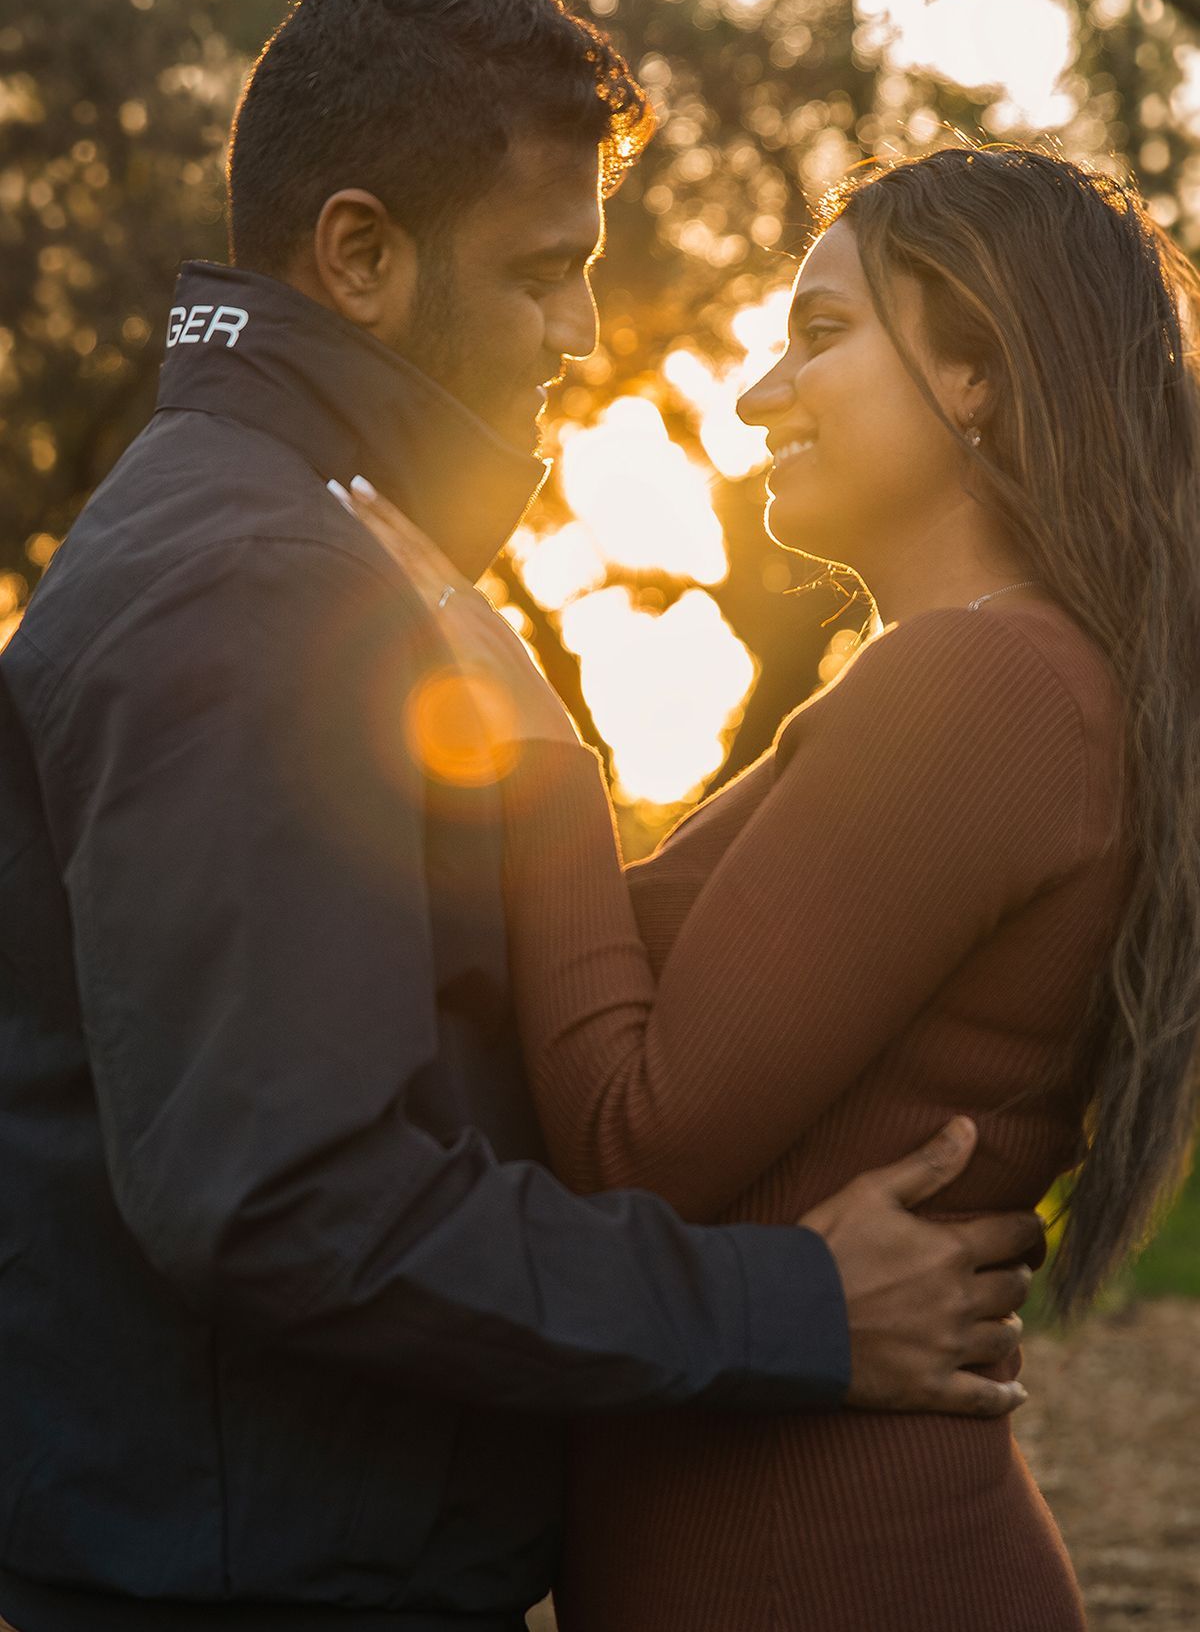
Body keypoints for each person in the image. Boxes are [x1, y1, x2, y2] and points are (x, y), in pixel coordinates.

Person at [0, 0, 1038, 1631]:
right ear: (360, 254)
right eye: (546, 272)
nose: (584, 331)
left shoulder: (306, 539)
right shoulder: (254, 583)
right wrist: (794, 1311)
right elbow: (291, 1199)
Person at [353, 144, 1200, 1631]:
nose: (756, 396)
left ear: (979, 372)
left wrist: (543, 754)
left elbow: (632, 1139)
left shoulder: (983, 686)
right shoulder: (993, 680)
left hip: (846, 1570)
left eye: (820, 334)